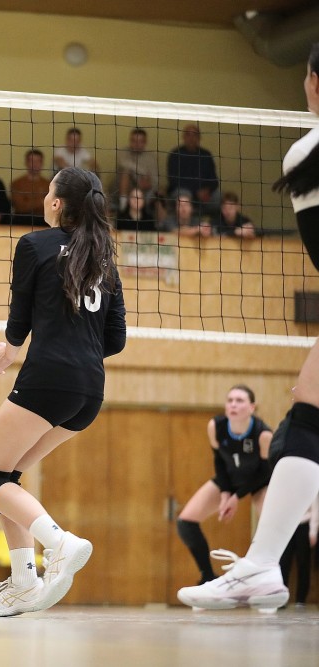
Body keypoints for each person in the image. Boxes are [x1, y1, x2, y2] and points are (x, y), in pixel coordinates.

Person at [177, 42, 319, 611]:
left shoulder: (303, 155)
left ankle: (261, 566)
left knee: (302, 428)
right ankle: (262, 566)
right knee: (304, 422)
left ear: (313, 83)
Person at [0, 166, 126, 617]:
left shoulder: (34, 245)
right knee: (5, 479)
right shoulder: (105, 258)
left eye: (48, 192)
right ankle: (23, 583)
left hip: (48, 379)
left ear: (56, 203)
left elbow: (19, 316)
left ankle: (59, 543)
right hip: (90, 389)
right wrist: (78, 352)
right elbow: (116, 339)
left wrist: (13, 349)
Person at [175, 385, 272, 585]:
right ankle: (207, 576)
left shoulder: (263, 434)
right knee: (185, 522)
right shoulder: (216, 426)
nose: (233, 405)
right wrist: (225, 493)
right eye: (230, 400)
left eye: (239, 400)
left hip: (258, 481)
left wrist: (236, 497)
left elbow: (265, 472)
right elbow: (219, 460)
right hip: (229, 478)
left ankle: (267, 581)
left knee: (271, 527)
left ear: (252, 407)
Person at [166, 124, 220, 216]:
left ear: (199, 138)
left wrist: (207, 190)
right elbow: (173, 180)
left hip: (204, 194)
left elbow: (214, 180)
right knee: (184, 196)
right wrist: (196, 192)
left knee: (218, 196)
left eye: (194, 135)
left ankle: (210, 222)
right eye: (188, 135)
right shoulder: (175, 154)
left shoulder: (206, 155)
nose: (191, 138)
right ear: (183, 137)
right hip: (183, 191)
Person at [279, 495, 318, 607]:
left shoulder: (311, 486)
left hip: (304, 526)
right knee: (284, 563)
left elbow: (315, 508)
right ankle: (281, 598)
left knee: (303, 563)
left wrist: (313, 531)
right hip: (287, 527)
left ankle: (301, 599)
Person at [115, 128, 159, 213]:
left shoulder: (151, 157)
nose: (136, 144)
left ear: (145, 142)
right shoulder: (123, 152)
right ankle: (123, 208)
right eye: (134, 141)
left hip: (145, 188)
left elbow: (155, 180)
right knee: (125, 173)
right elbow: (123, 163)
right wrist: (143, 172)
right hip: (125, 186)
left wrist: (146, 183)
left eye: (140, 141)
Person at [9, 148, 50, 227]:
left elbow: (50, 207)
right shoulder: (16, 183)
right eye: (32, 161)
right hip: (22, 222)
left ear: (42, 163)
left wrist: (28, 201)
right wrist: (41, 201)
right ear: (26, 163)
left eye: (38, 161)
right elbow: (20, 207)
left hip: (43, 222)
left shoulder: (49, 184)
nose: (35, 164)